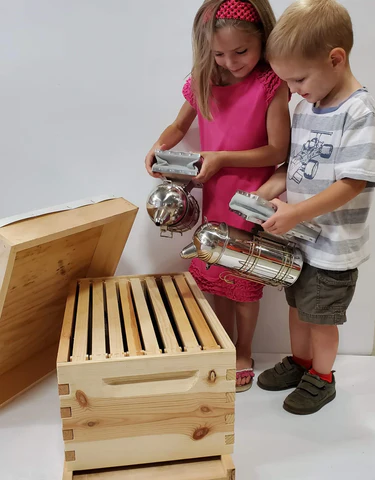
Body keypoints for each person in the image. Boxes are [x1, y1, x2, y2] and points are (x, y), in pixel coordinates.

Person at [145, 0, 290, 392]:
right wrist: (159, 148)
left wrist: (222, 157)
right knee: (214, 276)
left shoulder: (270, 85)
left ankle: (245, 349)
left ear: (262, 37)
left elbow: (278, 151)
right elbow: (178, 125)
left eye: (241, 51)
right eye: (218, 53)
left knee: (243, 279)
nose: (230, 62)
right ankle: (223, 342)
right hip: (213, 199)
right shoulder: (204, 81)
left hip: (250, 199)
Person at [255, 0, 375, 413]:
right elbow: (296, 166)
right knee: (297, 307)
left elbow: (351, 184)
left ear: (335, 59)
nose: (293, 90)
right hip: (300, 241)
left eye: (299, 78)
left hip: (333, 248)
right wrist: (272, 188)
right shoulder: (306, 105)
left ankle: (322, 378)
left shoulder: (359, 113)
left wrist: (295, 213)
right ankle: (302, 363)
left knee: (321, 318)